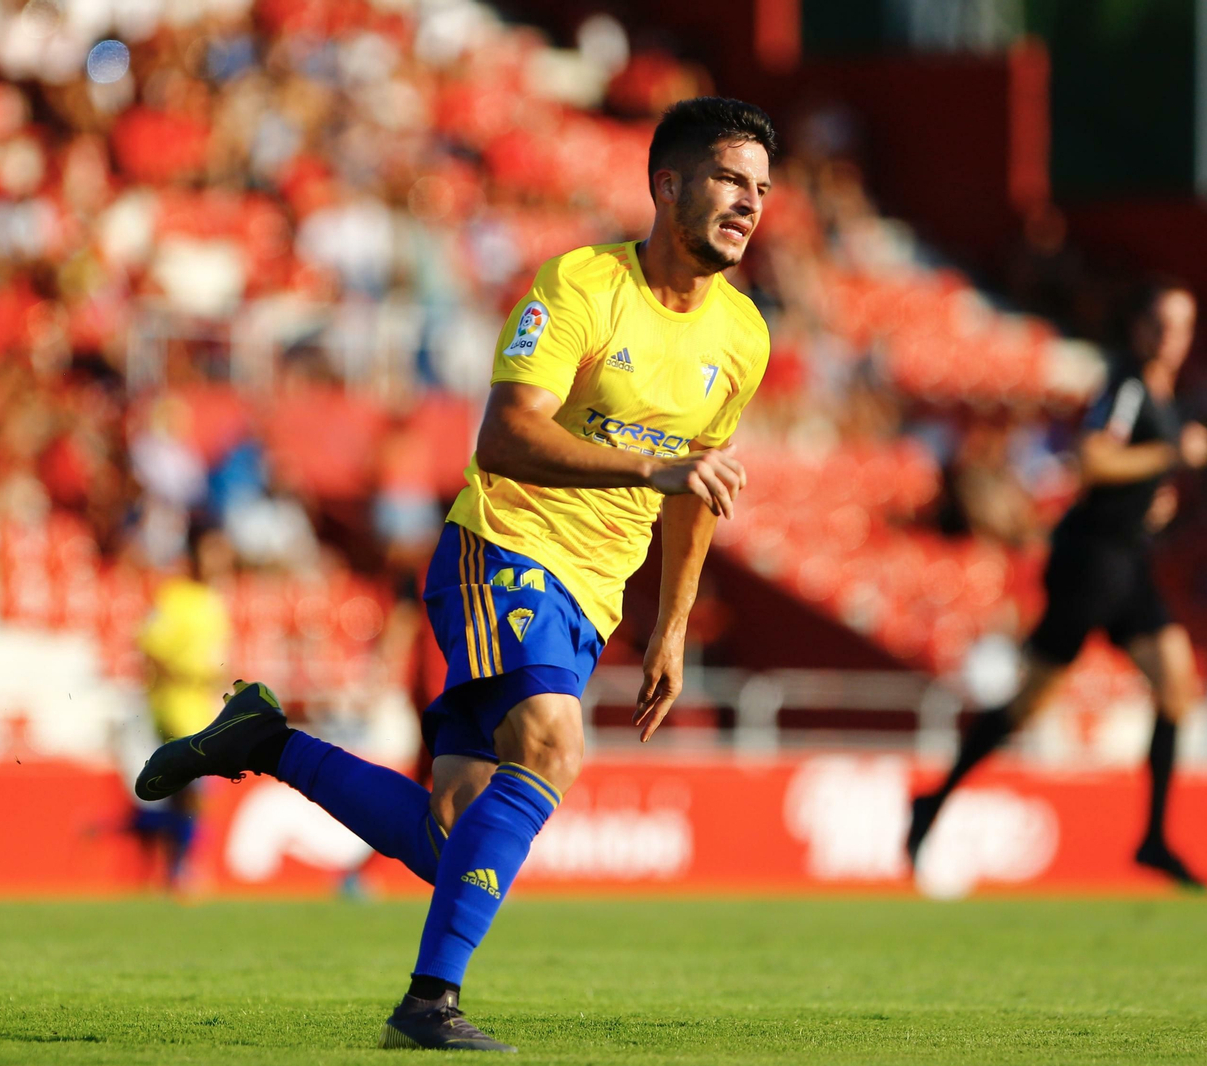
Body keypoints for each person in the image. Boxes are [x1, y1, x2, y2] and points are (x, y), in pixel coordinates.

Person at [135, 96, 775, 1051]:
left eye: (761, 188)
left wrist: (673, 626)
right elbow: (506, 434)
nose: (749, 203)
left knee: (451, 838)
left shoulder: (743, 339)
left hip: (589, 599)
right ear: (666, 184)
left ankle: (267, 742)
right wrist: (653, 463)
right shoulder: (583, 286)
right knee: (554, 748)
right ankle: (428, 1006)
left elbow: (698, 496)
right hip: (502, 548)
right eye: (729, 179)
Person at [906, 278, 1207, 889]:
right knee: (1029, 705)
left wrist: (1150, 502)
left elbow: (1124, 475)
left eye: (1182, 326)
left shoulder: (1163, 392)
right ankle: (934, 801)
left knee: (1176, 685)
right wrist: (1170, 457)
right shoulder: (1127, 383)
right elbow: (1094, 458)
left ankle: (1154, 837)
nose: (1171, 337)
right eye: (1162, 323)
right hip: (1091, 563)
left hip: (1129, 561)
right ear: (1140, 328)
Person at [129, 522, 234, 890]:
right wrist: (181, 676)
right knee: (198, 788)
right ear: (193, 555)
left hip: (201, 707)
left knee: (184, 790)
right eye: (211, 551)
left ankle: (176, 866)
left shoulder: (214, 600)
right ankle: (188, 866)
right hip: (175, 706)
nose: (218, 560)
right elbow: (149, 646)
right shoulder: (175, 596)